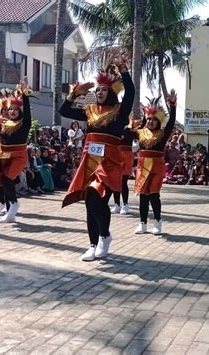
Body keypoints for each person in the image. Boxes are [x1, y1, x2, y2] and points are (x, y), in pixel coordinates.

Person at [59, 52, 134, 261]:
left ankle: (105, 236)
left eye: (104, 89)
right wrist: (73, 94)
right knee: (89, 202)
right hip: (89, 161)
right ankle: (93, 245)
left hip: (109, 163)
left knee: (98, 199)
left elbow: (130, 94)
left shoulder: (119, 112)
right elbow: (64, 111)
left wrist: (124, 72)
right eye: (98, 89)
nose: (100, 92)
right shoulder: (89, 110)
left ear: (111, 92)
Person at [0, 82, 33, 223]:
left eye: (15, 109)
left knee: (8, 180)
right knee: (3, 181)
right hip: (4, 155)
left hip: (19, 156)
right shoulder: (3, 123)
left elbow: (27, 112)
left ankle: (13, 206)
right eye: (10, 109)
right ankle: (10, 209)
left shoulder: (24, 124)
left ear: (19, 111)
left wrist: (25, 94)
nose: (12, 111)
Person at [125, 90, 176, 235]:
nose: (151, 121)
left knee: (154, 194)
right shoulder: (140, 132)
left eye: (154, 119)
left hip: (157, 166)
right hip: (142, 165)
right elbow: (125, 132)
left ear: (158, 121)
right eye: (149, 119)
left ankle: (158, 222)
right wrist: (137, 124)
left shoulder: (162, 134)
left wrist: (172, 106)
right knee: (143, 195)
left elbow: (171, 122)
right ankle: (142, 223)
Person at [111, 115, 141, 215]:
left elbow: (139, 132)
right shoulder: (113, 128)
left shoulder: (130, 129)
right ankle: (116, 204)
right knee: (115, 181)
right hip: (116, 154)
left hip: (127, 155)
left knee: (123, 181)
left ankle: (125, 204)